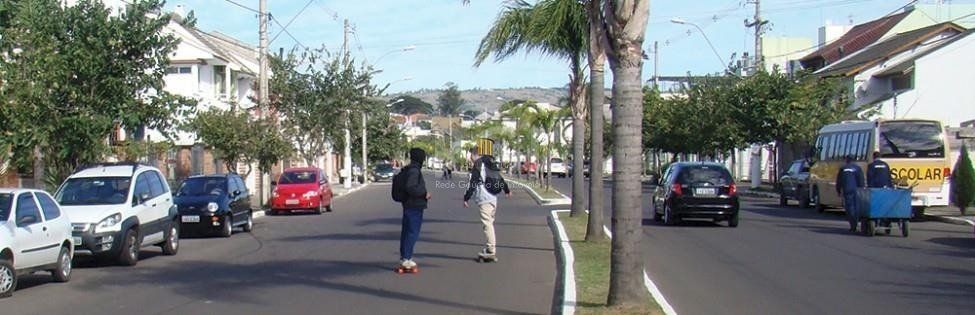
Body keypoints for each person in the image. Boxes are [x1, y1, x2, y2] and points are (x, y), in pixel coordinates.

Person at [463, 141, 511, 259]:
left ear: (475, 154)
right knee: (490, 223)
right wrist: (506, 190)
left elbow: (473, 182)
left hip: (484, 198)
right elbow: (500, 178)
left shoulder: (478, 164)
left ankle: (491, 249)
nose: (470, 158)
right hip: (493, 197)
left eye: (471, 155)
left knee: (487, 224)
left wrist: (466, 198)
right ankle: (490, 248)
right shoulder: (490, 163)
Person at [398, 148, 431, 270]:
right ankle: (406, 258)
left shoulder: (409, 169)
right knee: (412, 232)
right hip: (414, 205)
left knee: (407, 232)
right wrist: (424, 193)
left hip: (409, 204)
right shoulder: (414, 171)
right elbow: (411, 187)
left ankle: (405, 257)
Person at [835, 155, 865, 232]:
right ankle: (857, 221)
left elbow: (839, 181)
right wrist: (862, 189)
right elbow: (861, 180)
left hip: (847, 190)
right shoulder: (857, 168)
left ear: (846, 160)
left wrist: (838, 191)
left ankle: (853, 225)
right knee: (857, 206)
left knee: (849, 207)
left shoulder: (843, 169)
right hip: (856, 190)